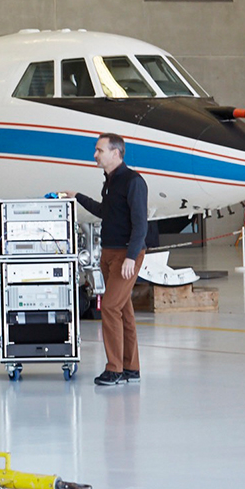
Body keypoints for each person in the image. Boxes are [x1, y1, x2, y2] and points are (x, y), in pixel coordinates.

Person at [58, 133, 147, 387]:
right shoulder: (109, 182)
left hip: (125, 255)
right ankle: (131, 367)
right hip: (109, 254)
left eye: (99, 150)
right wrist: (77, 196)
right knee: (124, 310)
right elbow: (104, 212)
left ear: (116, 153)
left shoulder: (133, 181)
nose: (95, 154)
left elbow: (140, 223)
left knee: (108, 307)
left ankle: (114, 369)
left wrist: (131, 257)